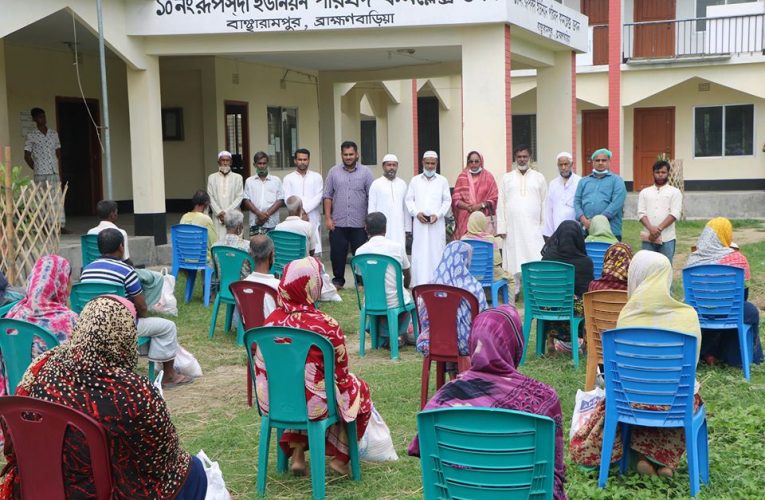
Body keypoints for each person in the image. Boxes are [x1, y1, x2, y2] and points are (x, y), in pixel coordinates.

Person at [0, 297, 207, 498]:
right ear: (125, 336)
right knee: (194, 471)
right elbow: (162, 458)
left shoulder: (43, 368)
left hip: (40, 484)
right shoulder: (134, 392)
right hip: (100, 491)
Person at [408, 305, 567, 499]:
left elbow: (426, 455)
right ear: (516, 343)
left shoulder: (441, 402)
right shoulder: (543, 397)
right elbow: (554, 471)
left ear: (473, 341)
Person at [571, 251, 702, 478]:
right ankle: (662, 463)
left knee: (621, 400)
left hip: (630, 402)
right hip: (675, 402)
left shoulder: (627, 317)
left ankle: (640, 459)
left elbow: (620, 372)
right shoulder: (688, 315)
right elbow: (692, 366)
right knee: (687, 396)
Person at [259, 257, 373, 476]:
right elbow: (341, 376)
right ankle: (341, 459)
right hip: (315, 405)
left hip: (275, 402)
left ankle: (298, 453)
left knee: (299, 387)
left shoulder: (269, 322)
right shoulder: (326, 325)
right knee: (357, 390)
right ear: (311, 286)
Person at [79, 229, 191, 387]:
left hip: (92, 327)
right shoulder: (126, 271)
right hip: (120, 327)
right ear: (121, 247)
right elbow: (141, 306)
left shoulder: (86, 271)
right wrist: (142, 315)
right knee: (167, 327)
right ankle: (169, 376)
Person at [686, 217, 762, 366]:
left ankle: (707, 352)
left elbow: (690, 292)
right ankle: (741, 357)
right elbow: (743, 295)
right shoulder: (737, 259)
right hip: (730, 312)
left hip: (698, 312)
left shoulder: (692, 260)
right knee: (750, 311)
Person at [3, 255, 78, 398]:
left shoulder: (13, 315)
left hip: (15, 398)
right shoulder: (70, 321)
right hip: (56, 403)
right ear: (62, 282)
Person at [416, 241, 488, 357]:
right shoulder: (473, 287)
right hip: (467, 344)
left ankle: (451, 371)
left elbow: (423, 318)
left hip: (432, 342)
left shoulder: (431, 286)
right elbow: (484, 319)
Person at [497, 144, 547, 302]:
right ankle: (515, 289)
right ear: (515, 158)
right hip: (512, 228)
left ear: (530, 158)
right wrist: (502, 226)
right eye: (519, 157)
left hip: (533, 228)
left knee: (534, 256)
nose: (522, 159)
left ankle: (535, 291)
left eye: (525, 156)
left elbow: (545, 202)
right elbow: (501, 203)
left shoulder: (539, 177)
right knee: (513, 258)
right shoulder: (507, 178)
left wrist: (544, 227)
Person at [356, 212, 413, 346]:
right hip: (395, 300)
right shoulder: (397, 248)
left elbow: (362, 279)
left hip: (371, 301)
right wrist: (404, 287)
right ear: (385, 228)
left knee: (379, 301)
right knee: (407, 301)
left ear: (366, 228)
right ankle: (397, 334)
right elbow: (407, 273)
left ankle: (382, 335)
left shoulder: (360, 252)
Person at [323, 141, 374, 289]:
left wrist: (368, 220)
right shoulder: (333, 172)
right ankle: (338, 280)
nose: (348, 157)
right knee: (337, 254)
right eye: (345, 154)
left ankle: (360, 281)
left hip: (360, 223)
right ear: (341, 155)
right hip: (338, 222)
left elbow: (372, 196)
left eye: (351, 154)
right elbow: (327, 196)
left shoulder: (366, 172)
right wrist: (327, 218)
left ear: (357, 154)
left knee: (361, 253)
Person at [540, 220, 594, 352]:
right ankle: (586, 342)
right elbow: (585, 292)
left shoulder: (547, 259)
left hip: (546, 308)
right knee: (586, 303)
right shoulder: (585, 262)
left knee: (552, 298)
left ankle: (550, 339)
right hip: (573, 311)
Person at [405, 151, 451, 287]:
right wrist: (416, 213)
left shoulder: (442, 181)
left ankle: (437, 282)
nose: (430, 166)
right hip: (420, 224)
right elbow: (409, 200)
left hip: (437, 224)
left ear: (437, 164)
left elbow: (447, 201)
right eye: (427, 163)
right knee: (420, 252)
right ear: (422, 163)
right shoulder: (415, 180)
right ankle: (419, 283)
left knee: (436, 251)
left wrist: (438, 214)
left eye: (433, 163)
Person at [23, 107, 67, 233]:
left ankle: (59, 226)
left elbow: (58, 151)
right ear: (34, 119)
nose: (43, 119)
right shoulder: (31, 135)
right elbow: (26, 155)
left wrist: (57, 166)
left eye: (44, 116)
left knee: (57, 199)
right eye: (40, 117)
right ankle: (44, 227)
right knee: (42, 201)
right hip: (40, 173)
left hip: (53, 171)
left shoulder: (53, 133)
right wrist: (36, 167)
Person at [574, 148, 627, 240]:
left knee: (608, 254)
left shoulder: (617, 180)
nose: (600, 163)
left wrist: (597, 222)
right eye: (597, 160)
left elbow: (616, 203)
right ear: (593, 162)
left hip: (610, 230)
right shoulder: (584, 181)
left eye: (604, 160)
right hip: (586, 229)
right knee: (586, 254)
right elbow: (577, 201)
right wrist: (583, 219)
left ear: (609, 162)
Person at [638, 159, 683, 262]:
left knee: (665, 267)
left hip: (667, 238)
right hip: (648, 237)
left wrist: (658, 229)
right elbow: (641, 213)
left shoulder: (675, 192)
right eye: (657, 172)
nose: (660, 175)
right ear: (653, 173)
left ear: (668, 173)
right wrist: (651, 229)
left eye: (663, 172)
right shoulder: (645, 192)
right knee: (647, 267)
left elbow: (675, 213)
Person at [283, 148, 324, 255]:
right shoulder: (288, 178)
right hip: (295, 219)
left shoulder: (317, 177)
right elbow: (288, 199)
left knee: (315, 252)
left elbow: (319, 197)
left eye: (305, 159)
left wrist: (304, 210)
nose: (302, 162)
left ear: (309, 160)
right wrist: (301, 214)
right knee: (298, 250)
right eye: (300, 159)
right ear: (295, 161)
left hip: (313, 217)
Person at [451, 151, 499, 241]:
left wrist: (480, 205)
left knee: (482, 245)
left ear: (481, 162)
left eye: (476, 161)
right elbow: (455, 199)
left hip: (483, 217)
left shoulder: (488, 177)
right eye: (471, 161)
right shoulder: (462, 177)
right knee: (466, 244)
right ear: (467, 162)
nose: (473, 164)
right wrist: (467, 206)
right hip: (465, 216)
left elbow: (495, 197)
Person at [367, 153, 411, 248]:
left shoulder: (402, 184)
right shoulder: (376, 184)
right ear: (383, 166)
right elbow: (371, 207)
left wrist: (408, 228)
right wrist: (370, 227)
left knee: (398, 250)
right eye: (389, 165)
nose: (391, 167)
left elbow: (406, 208)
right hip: (380, 228)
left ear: (397, 166)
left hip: (399, 227)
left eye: (394, 165)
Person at [461, 211, 512, 283]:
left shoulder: (464, 239)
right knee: (511, 278)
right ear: (483, 223)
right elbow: (497, 261)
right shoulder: (490, 239)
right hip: (488, 275)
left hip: (469, 276)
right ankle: (510, 294)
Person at [243, 151, 285, 236]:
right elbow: (246, 200)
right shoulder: (249, 181)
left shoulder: (276, 180)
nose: (262, 166)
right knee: (255, 247)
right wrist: (258, 213)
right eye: (259, 163)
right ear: (254, 165)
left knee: (272, 247)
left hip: (272, 222)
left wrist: (266, 215)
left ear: (267, 164)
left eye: (264, 163)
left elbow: (280, 200)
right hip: (255, 222)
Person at [206, 150, 244, 241]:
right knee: (218, 241)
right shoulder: (212, 177)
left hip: (233, 216)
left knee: (233, 243)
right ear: (218, 162)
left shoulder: (238, 177)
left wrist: (226, 213)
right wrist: (219, 212)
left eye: (227, 160)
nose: (225, 163)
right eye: (223, 160)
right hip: (217, 216)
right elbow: (210, 196)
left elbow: (239, 197)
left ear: (231, 162)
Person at [544, 152, 581, 241]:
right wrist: (549, 233)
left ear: (571, 164)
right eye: (561, 165)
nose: (563, 167)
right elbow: (549, 209)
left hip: (575, 229)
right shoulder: (553, 184)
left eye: (566, 164)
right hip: (557, 229)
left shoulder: (580, 181)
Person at [244, 235, 281, 318]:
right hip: (272, 329)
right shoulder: (279, 286)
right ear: (271, 254)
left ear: (250, 254)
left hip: (250, 330)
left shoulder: (243, 285)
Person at [211, 209, 252, 279]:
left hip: (222, 285)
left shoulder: (215, 246)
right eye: (242, 225)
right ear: (238, 227)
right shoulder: (247, 246)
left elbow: (213, 269)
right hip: (243, 286)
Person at [180, 189, 219, 259]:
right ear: (206, 204)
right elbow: (214, 244)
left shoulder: (184, 217)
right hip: (201, 260)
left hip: (184, 258)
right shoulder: (206, 220)